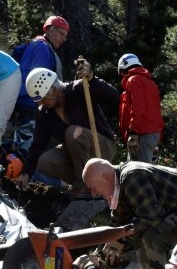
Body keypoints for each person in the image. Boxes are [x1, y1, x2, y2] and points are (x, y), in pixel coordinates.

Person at [14, 64, 119, 195]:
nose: (41, 104)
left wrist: (92, 80)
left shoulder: (79, 89)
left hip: (102, 147)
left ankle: (83, 186)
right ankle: (84, 183)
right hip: (77, 155)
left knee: (73, 133)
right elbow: (37, 145)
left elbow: (115, 97)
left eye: (43, 99)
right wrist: (26, 172)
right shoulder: (44, 113)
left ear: (53, 89)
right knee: (45, 161)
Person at [12, 15, 70, 126]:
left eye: (65, 36)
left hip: (23, 100)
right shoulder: (42, 47)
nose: (63, 39)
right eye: (62, 34)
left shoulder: (37, 44)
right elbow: (39, 80)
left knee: (23, 139)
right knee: (29, 140)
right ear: (51, 30)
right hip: (30, 103)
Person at [117, 53, 164, 163]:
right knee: (147, 172)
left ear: (122, 69)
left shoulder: (133, 80)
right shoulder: (151, 83)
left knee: (139, 175)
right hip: (152, 135)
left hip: (141, 135)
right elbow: (156, 112)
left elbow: (138, 108)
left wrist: (133, 133)